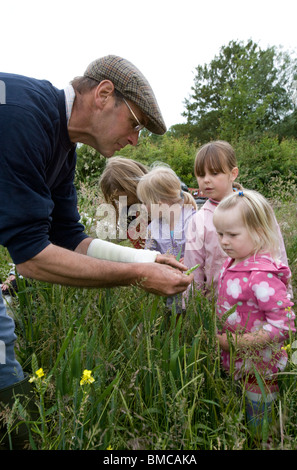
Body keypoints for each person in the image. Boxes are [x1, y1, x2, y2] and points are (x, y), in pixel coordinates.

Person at [0, 55, 193, 448]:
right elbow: (33, 256)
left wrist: (146, 258)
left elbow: (70, 237)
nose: (135, 141)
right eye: (135, 125)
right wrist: (138, 276)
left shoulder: (60, 148)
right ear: (104, 94)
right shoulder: (23, 114)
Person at [213, 189, 296, 437]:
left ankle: (264, 441)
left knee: (259, 415)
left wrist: (239, 343)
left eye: (232, 234)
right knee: (239, 407)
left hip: (260, 364)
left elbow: (284, 326)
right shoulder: (233, 263)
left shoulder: (261, 275)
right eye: (220, 234)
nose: (224, 241)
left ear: (259, 233)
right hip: (237, 360)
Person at [184, 140, 290, 299]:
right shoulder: (198, 220)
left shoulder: (255, 208)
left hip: (261, 300)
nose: (206, 180)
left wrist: (285, 294)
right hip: (217, 304)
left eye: (214, 173)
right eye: (201, 174)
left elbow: (276, 249)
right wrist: (193, 308)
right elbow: (193, 266)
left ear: (233, 173)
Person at [137, 165, 197, 314]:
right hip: (169, 285)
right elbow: (149, 255)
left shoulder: (193, 219)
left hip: (195, 285)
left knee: (194, 317)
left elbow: (206, 251)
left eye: (145, 203)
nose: (143, 207)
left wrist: (189, 260)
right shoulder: (153, 228)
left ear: (159, 202)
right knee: (174, 319)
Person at [99, 156, 149, 249]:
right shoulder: (127, 214)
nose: (124, 203)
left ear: (136, 185)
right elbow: (141, 247)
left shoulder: (161, 198)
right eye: (119, 200)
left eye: (126, 198)